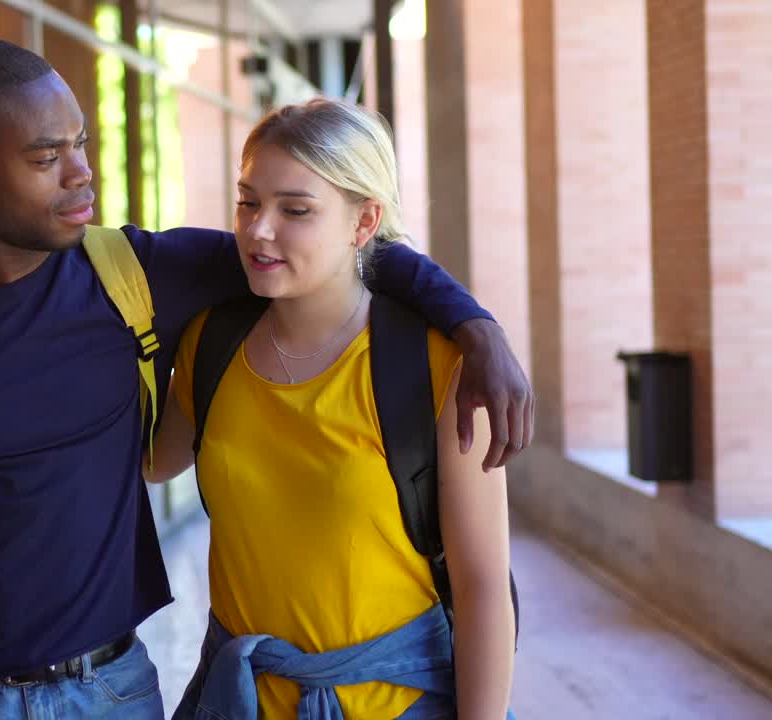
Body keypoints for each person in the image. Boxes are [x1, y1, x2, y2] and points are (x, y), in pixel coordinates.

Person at [0, 39, 529, 720]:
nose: (81, 172)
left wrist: (474, 326)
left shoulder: (136, 277)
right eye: (46, 157)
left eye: (81, 144)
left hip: (121, 691)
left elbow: (335, 252)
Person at [148, 99, 516, 720]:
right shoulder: (210, 343)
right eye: (248, 203)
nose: (259, 230)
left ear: (364, 221)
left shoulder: (441, 366)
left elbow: (483, 588)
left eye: (295, 210)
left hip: (397, 706)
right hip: (239, 702)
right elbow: (153, 462)